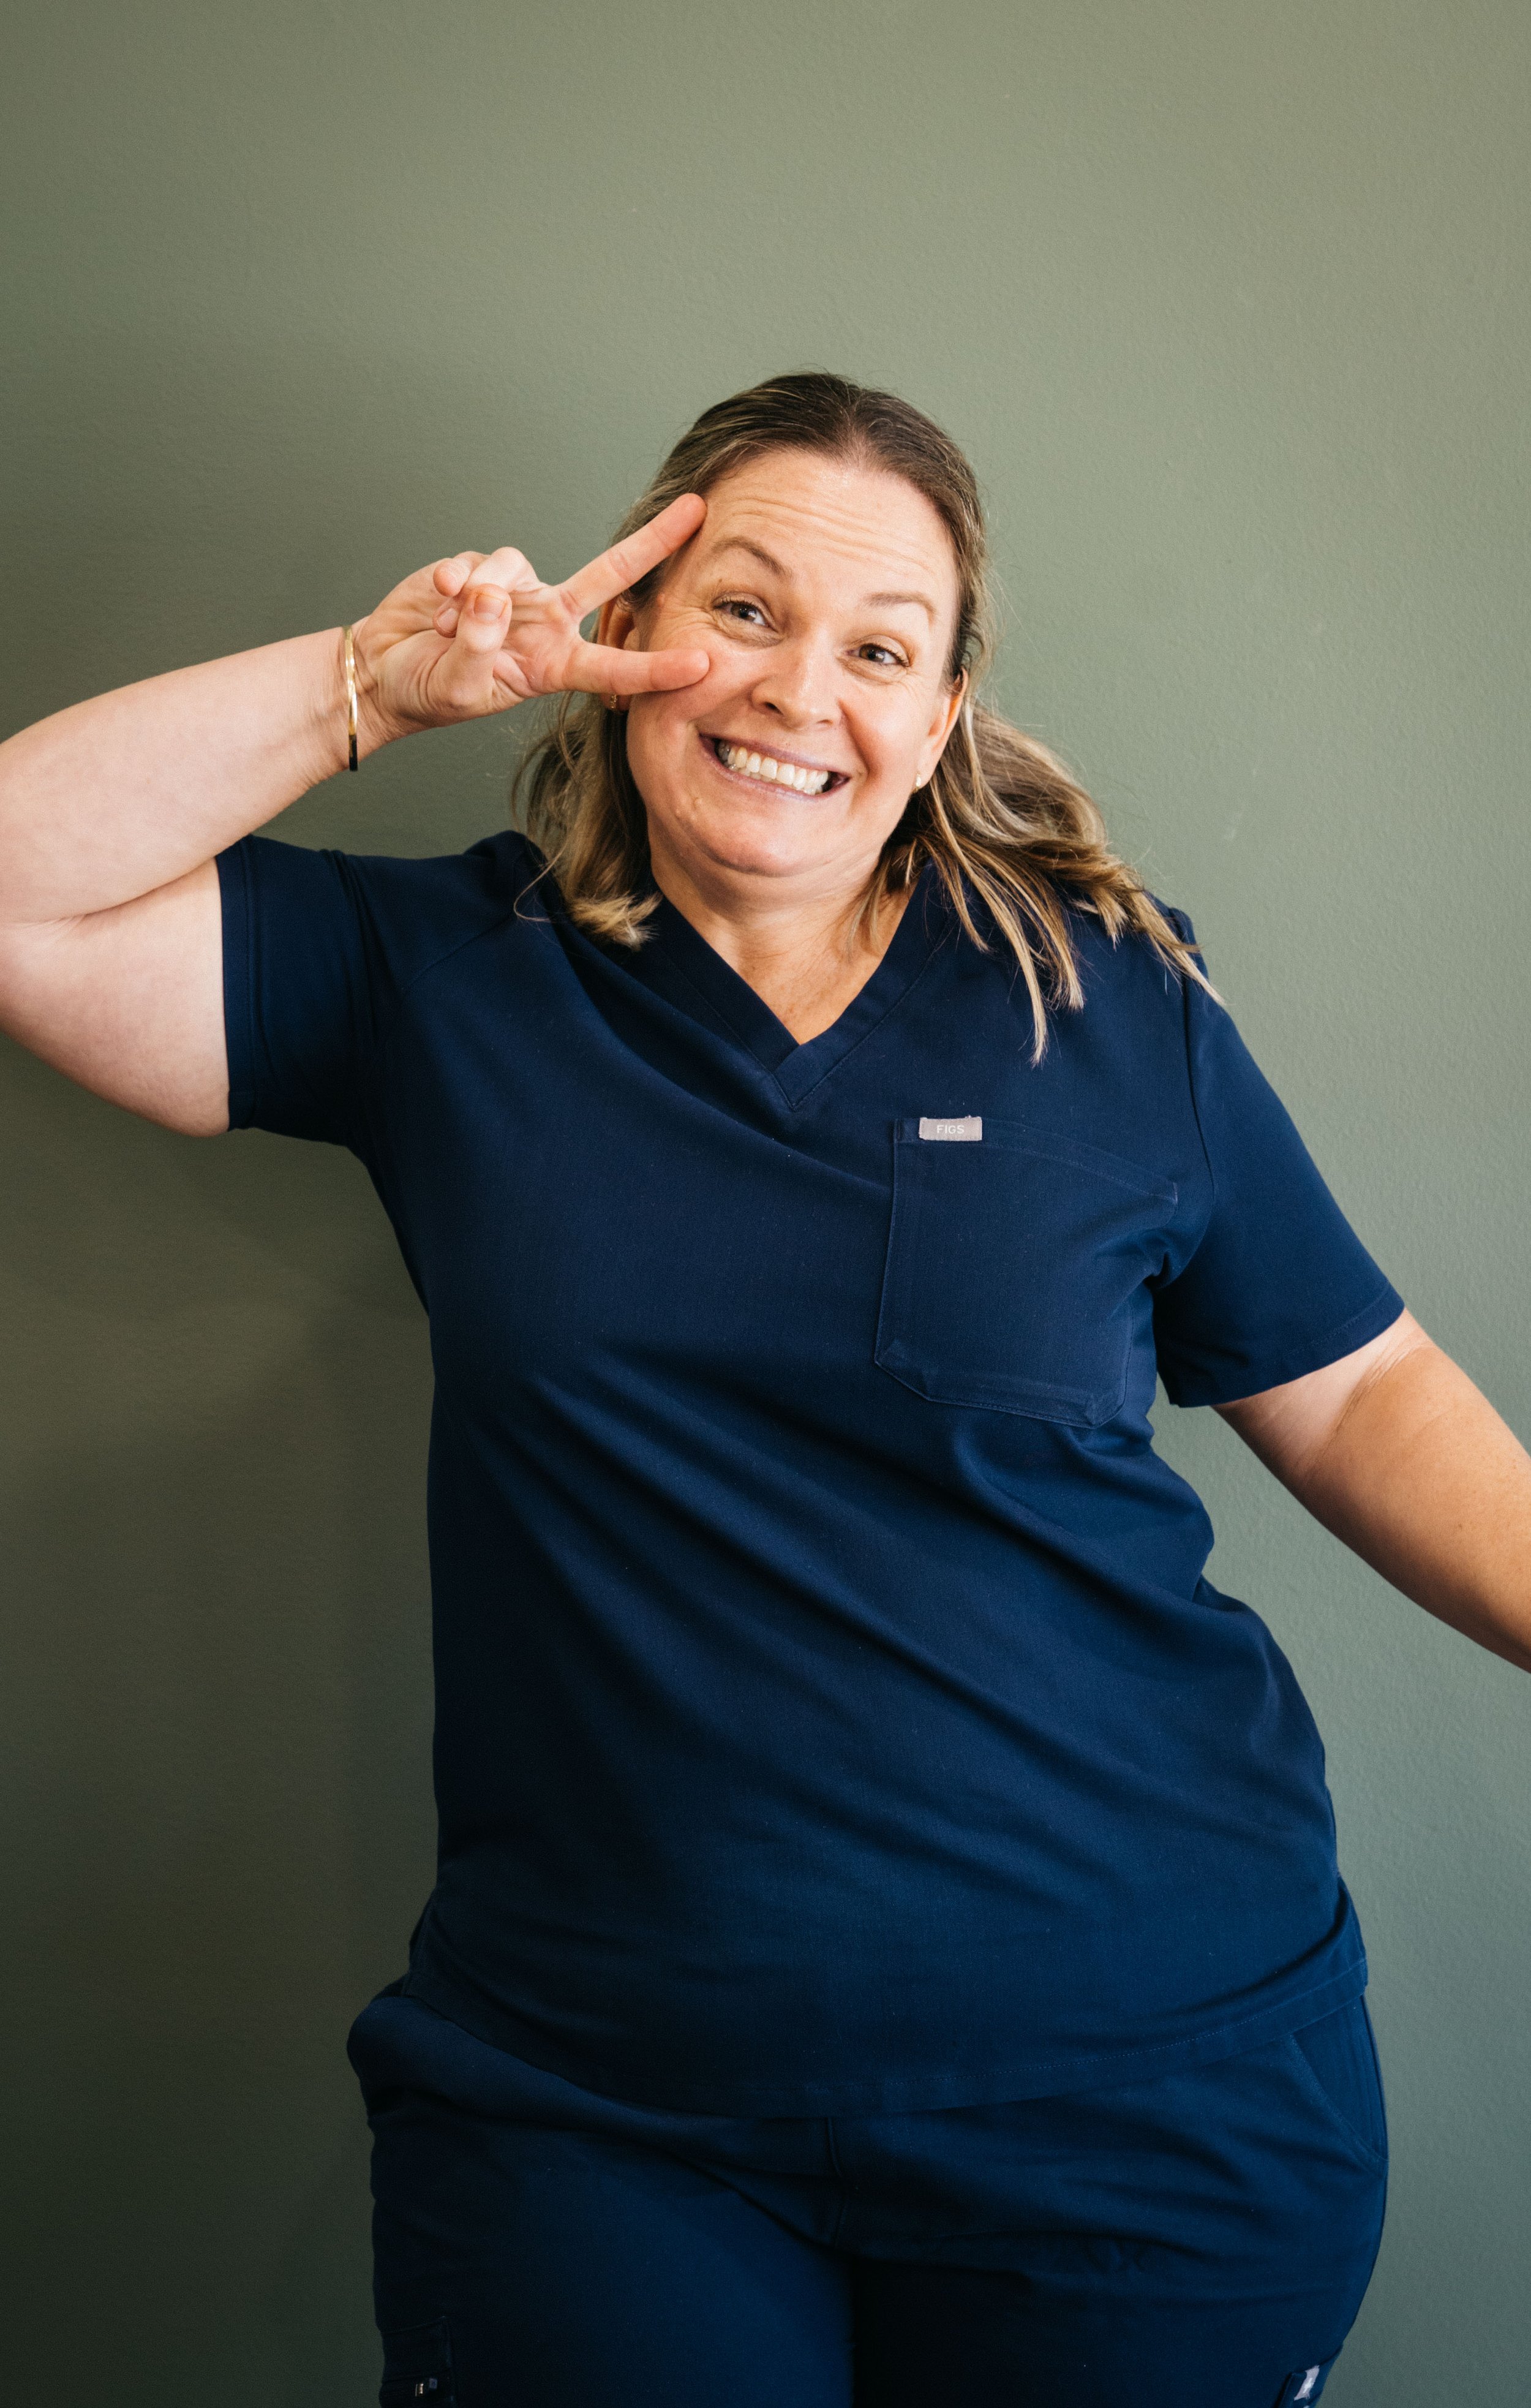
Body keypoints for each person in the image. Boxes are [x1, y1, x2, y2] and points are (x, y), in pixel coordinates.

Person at [1, 372, 1527, 2408]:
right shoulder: (448, 977)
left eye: (879, 648)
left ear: (946, 706)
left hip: (1147, 2105)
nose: (800, 690)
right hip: (603, 2115)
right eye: (743, 608)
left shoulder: (1106, 998)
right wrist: (370, 684)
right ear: (631, 624)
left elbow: (1357, 1394)